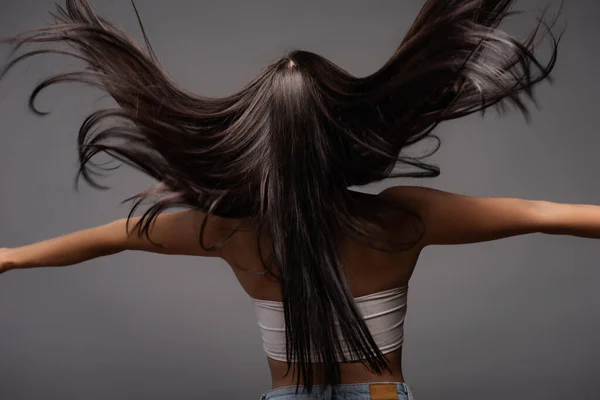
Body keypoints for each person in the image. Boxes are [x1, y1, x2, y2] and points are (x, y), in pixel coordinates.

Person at [0, 0, 568, 399]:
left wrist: (10, 256)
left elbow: (115, 237)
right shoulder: (404, 216)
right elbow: (543, 215)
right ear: (350, 132)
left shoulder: (231, 232)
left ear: (255, 142)